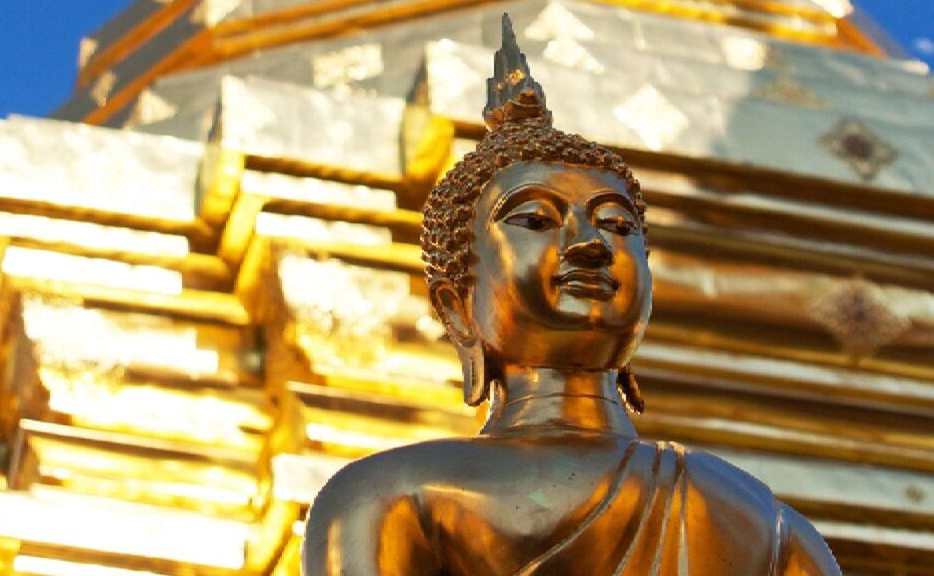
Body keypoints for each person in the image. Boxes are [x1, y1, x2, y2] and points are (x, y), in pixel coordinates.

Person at [302, 15, 841, 575]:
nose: (591, 245)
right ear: (455, 306)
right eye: (536, 219)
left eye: (617, 225)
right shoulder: (394, 497)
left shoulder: (759, 523)